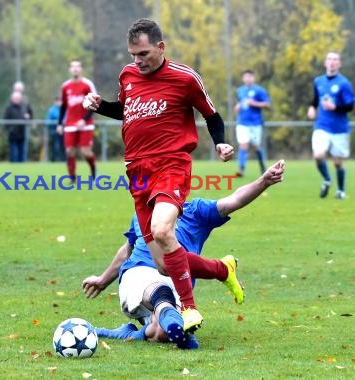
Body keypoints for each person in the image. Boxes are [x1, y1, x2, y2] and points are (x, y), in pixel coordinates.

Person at [84, 18, 236, 332]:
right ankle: (223, 270)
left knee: (163, 230)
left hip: (170, 165)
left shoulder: (185, 78)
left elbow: (211, 114)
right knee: (164, 263)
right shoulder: (128, 75)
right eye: (132, 55)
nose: (137, 61)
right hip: (137, 173)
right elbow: (126, 109)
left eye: (143, 54)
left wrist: (220, 141)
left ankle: (190, 309)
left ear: (160, 47)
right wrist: (101, 106)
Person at [82, 160, 285, 349]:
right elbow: (126, 250)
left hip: (177, 284)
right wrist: (102, 280)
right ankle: (167, 308)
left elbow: (234, 200)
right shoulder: (143, 212)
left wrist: (264, 181)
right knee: (160, 293)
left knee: (164, 333)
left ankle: (130, 332)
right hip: (138, 276)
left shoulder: (196, 211)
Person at [307, 52, 355, 200]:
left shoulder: (344, 83)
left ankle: (340, 191)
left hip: (339, 128)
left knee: (338, 162)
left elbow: (350, 106)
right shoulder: (318, 81)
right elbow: (316, 99)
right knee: (318, 155)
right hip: (322, 125)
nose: (332, 62)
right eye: (329, 59)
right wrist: (312, 108)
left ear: (339, 64)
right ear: (325, 63)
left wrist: (335, 107)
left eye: (335, 60)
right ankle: (327, 180)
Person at [57, 60, 98, 180]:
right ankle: (72, 178)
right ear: (70, 69)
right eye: (73, 66)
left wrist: (84, 120)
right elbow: (64, 106)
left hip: (85, 123)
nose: (75, 69)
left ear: (81, 69)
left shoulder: (87, 84)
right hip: (70, 123)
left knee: (85, 151)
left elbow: (94, 104)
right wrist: (59, 123)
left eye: (77, 66)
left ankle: (93, 171)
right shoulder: (65, 86)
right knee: (69, 151)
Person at [234, 70, 271, 177]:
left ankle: (263, 168)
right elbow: (239, 103)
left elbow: (268, 105)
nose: (248, 79)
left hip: (255, 123)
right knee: (243, 145)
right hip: (242, 122)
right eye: (246, 77)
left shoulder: (260, 90)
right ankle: (241, 170)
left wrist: (255, 103)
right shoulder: (240, 90)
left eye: (250, 77)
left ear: (253, 78)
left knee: (257, 147)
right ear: (243, 78)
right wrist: (237, 107)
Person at [4, 91, 31, 163]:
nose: (17, 100)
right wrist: (9, 130)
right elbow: (6, 120)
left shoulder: (24, 107)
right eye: (16, 98)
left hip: (22, 133)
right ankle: (13, 168)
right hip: (13, 134)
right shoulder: (9, 108)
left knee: (22, 153)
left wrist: (28, 118)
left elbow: (30, 116)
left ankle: (22, 167)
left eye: (18, 98)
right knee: (14, 154)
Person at [45, 96, 65, 162]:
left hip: (64, 132)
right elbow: (48, 121)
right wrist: (56, 125)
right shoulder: (52, 110)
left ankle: (63, 161)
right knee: (55, 147)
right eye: (59, 101)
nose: (60, 103)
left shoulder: (65, 109)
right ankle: (53, 161)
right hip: (54, 132)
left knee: (64, 147)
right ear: (55, 102)